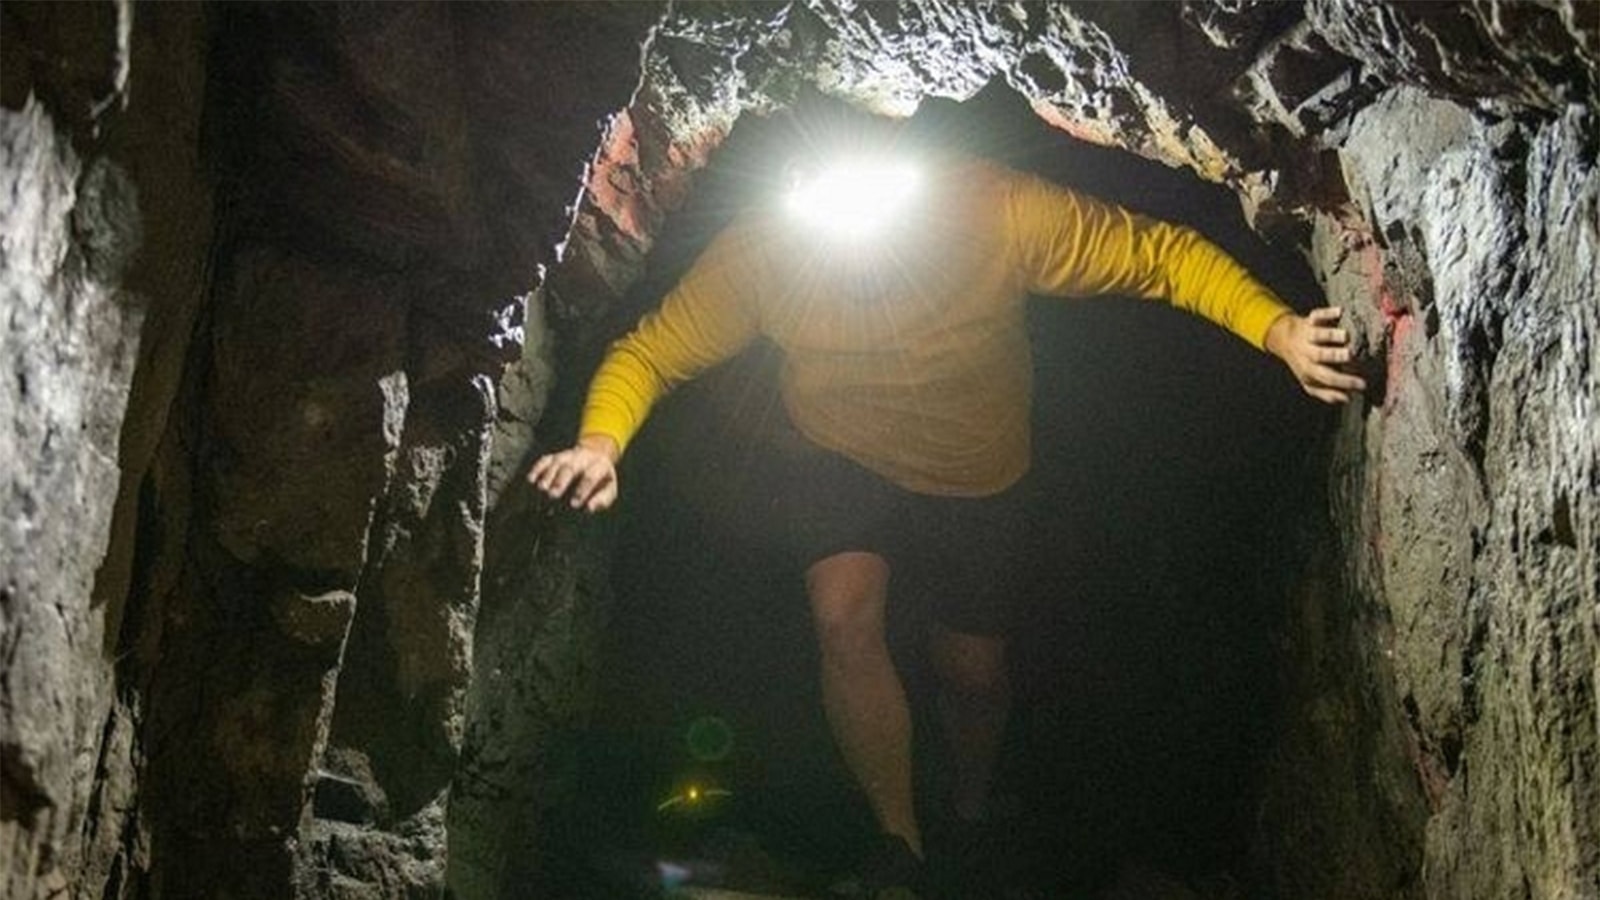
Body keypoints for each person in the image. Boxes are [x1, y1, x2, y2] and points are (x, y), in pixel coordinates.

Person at [528, 111, 1364, 898]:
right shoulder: (768, 254)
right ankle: (902, 842)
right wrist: (600, 445)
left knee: (973, 674)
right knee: (843, 617)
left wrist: (1277, 330)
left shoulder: (992, 209)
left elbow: (1159, 256)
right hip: (838, 454)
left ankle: (970, 804)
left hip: (976, 473)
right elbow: (653, 353)